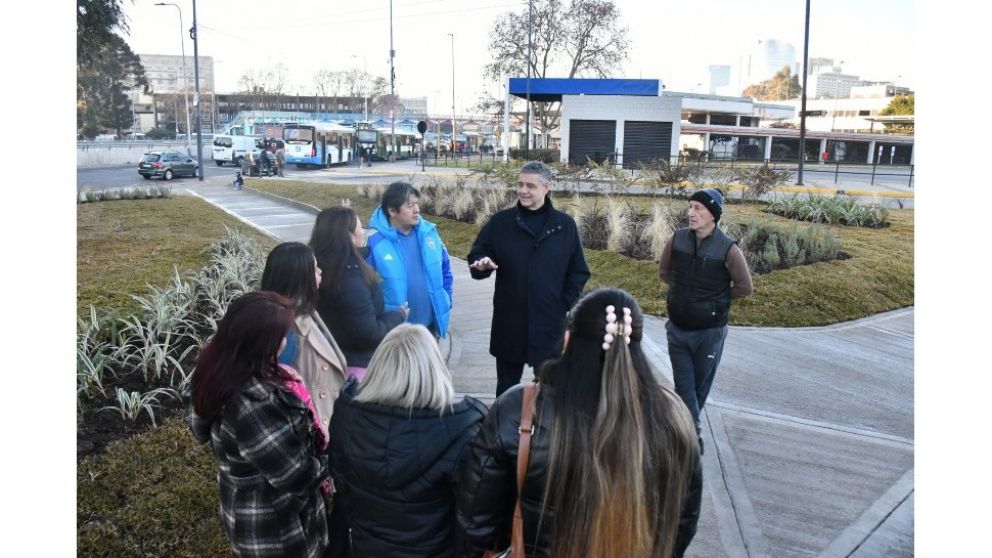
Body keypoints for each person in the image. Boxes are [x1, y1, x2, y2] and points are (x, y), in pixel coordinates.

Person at [456, 288, 702, 558]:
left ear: (567, 339)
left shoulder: (520, 411)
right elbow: (682, 522)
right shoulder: (674, 418)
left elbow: (475, 522)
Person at [185, 291, 329, 558]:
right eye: (282, 336)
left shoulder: (215, 370)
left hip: (242, 510)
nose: (286, 341)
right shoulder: (254, 407)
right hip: (278, 533)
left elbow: (197, 425)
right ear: (263, 345)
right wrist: (333, 458)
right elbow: (298, 475)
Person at [329, 324, 487, 557]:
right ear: (435, 370)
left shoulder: (347, 419)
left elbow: (341, 488)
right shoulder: (461, 433)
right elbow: (471, 519)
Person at [467, 160, 590, 397]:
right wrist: (482, 264)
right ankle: (502, 432)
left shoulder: (564, 226)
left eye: (530, 186)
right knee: (505, 390)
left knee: (551, 391)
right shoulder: (501, 223)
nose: (523, 190)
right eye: (520, 184)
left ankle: (548, 433)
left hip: (549, 325)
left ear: (547, 187)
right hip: (509, 322)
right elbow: (478, 254)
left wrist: (562, 304)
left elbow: (579, 271)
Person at [659, 187, 753, 454]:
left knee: (699, 387)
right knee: (684, 385)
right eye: (690, 207)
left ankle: (684, 430)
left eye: (698, 208)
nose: (691, 213)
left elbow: (745, 287)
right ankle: (693, 436)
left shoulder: (728, 249)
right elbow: (664, 272)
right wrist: (682, 295)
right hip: (678, 328)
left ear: (713, 214)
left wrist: (714, 302)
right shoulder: (677, 240)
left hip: (710, 332)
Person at [309, 205, 407, 381]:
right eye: (360, 228)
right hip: (354, 370)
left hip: (327, 361)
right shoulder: (349, 277)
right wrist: (398, 315)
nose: (364, 232)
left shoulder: (319, 267)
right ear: (349, 237)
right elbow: (368, 334)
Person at [260, 242, 348, 433]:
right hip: (307, 437)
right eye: (315, 268)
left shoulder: (304, 313)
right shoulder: (286, 331)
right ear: (299, 277)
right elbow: (276, 392)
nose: (320, 271)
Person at [367, 181, 453, 339]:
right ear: (392, 211)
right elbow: (365, 287)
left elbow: (445, 270)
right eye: (410, 205)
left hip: (430, 329)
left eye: (416, 204)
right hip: (395, 334)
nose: (417, 210)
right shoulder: (374, 242)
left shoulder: (429, 233)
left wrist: (446, 301)